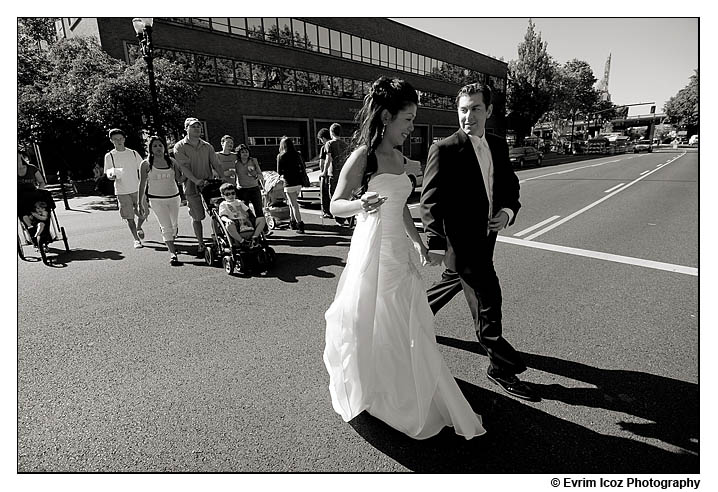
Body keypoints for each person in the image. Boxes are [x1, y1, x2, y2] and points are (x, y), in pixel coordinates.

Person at [323, 76, 485, 440]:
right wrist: (359, 203)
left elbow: (398, 209)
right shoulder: (362, 156)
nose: (411, 128)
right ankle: (380, 387)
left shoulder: (398, 157)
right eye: (407, 119)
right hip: (373, 250)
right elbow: (335, 205)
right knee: (377, 315)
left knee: (406, 317)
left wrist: (418, 243)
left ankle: (407, 383)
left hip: (398, 248)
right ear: (385, 116)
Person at [420, 82, 536, 401]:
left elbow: (510, 186)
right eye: (463, 109)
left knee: (451, 283)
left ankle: (409, 317)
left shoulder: (498, 146)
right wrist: (436, 243)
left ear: (489, 111)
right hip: (462, 244)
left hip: (487, 239)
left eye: (475, 108)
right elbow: (429, 202)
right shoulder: (443, 149)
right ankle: (501, 367)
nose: (468, 116)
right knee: (489, 301)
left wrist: (507, 211)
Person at [173, 117, 223, 256]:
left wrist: (223, 178)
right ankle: (201, 243)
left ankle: (220, 239)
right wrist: (196, 180)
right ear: (186, 128)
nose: (197, 129)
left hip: (209, 186)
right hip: (191, 186)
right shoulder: (180, 146)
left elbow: (216, 164)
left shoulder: (207, 146)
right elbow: (184, 167)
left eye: (199, 126)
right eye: (193, 126)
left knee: (216, 214)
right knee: (197, 217)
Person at [138, 136, 183, 266]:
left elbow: (180, 179)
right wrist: (140, 202)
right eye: (155, 146)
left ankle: (171, 237)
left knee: (173, 226)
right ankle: (172, 253)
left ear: (164, 147)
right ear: (150, 149)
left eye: (160, 145)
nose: (158, 148)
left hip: (174, 198)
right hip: (156, 200)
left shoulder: (172, 162)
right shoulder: (146, 164)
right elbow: (142, 184)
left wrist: (187, 170)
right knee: (166, 226)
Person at [103, 128, 148, 249]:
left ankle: (139, 227)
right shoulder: (109, 156)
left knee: (144, 213)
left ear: (124, 139)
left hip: (137, 188)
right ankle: (136, 239)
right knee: (129, 217)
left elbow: (143, 167)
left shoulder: (133, 153)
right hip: (122, 191)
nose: (119, 141)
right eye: (115, 139)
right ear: (111, 140)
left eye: (120, 138)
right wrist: (111, 176)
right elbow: (108, 172)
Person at [276, 136, 306, 233]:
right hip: (298, 182)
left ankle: (300, 225)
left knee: (294, 205)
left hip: (288, 183)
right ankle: (292, 222)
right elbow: (303, 166)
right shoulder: (297, 154)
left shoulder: (280, 156)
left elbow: (279, 171)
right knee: (292, 203)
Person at [324, 123, 350, 225]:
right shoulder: (345, 145)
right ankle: (348, 216)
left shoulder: (329, 144)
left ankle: (339, 219)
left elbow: (328, 159)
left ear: (331, 133)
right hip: (344, 174)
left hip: (333, 174)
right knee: (345, 195)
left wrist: (324, 171)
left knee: (334, 196)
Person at [234, 143, 265, 218]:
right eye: (242, 152)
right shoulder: (236, 162)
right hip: (242, 190)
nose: (245, 154)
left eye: (246, 152)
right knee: (245, 212)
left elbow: (261, 176)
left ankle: (264, 229)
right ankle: (251, 227)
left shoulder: (253, 161)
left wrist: (255, 174)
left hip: (254, 189)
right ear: (239, 154)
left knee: (259, 211)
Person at [316, 127, 333, 218]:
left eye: (320, 139)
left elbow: (322, 162)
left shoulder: (324, 147)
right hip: (335, 173)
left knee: (324, 194)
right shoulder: (335, 144)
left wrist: (322, 172)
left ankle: (326, 212)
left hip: (326, 173)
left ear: (323, 138)